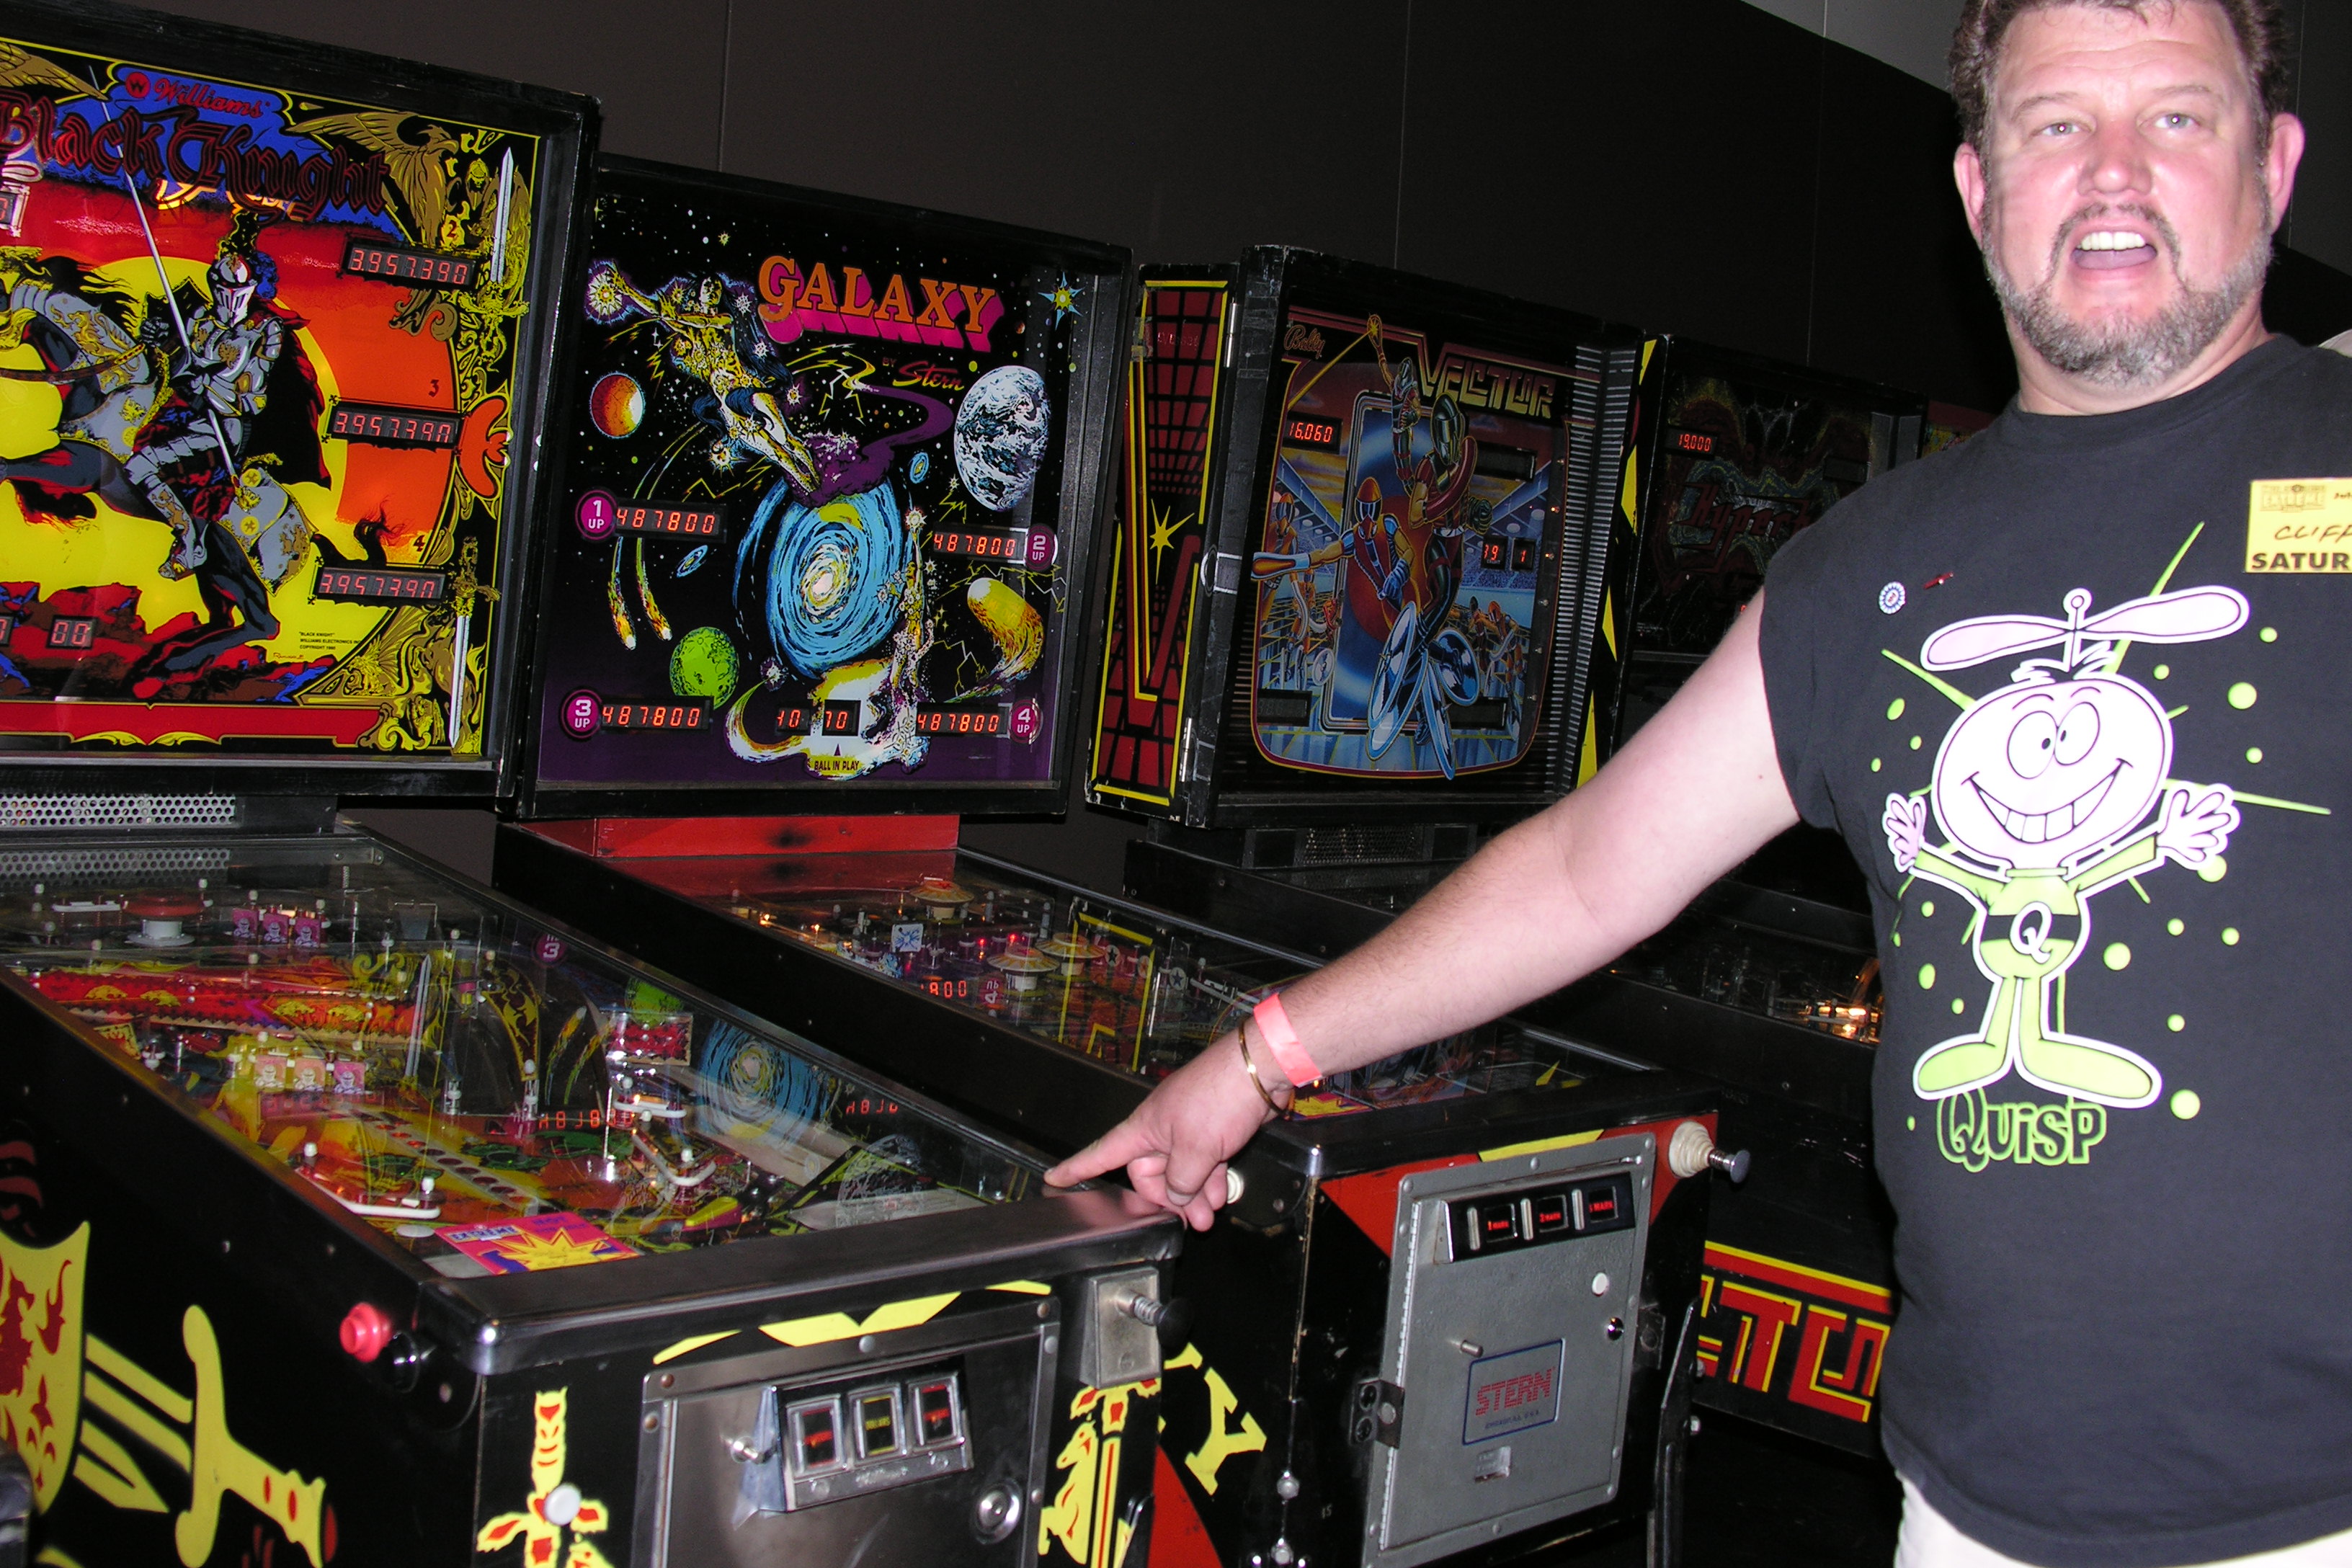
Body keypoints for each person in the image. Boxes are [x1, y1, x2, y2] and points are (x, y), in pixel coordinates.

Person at [1048, 1, 2352, 1563]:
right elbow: (1590, 867)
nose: (2115, 171)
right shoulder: (1869, 570)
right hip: (1974, 1502)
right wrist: (1255, 1061)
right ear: (1978, 188)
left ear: (2275, 166)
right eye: (2058, 123)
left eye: (2178, 117)